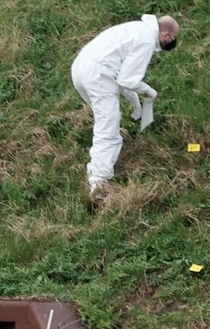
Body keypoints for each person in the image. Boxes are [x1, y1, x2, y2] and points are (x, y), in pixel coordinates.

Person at [69, 14, 179, 197]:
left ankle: (97, 175)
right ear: (167, 36)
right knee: (108, 132)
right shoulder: (146, 41)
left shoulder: (136, 29)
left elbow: (120, 77)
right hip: (98, 74)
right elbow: (128, 79)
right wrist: (150, 92)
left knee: (105, 124)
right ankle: (99, 186)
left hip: (80, 69)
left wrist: (136, 103)